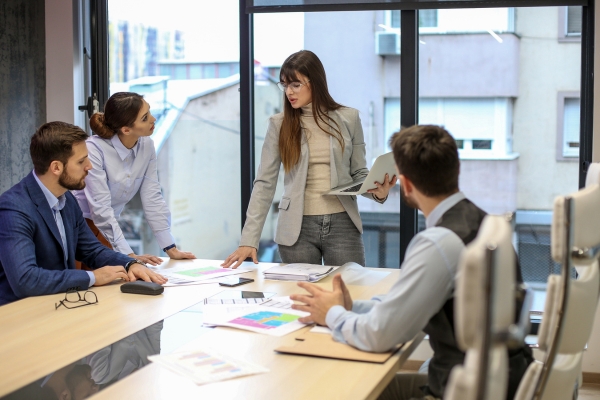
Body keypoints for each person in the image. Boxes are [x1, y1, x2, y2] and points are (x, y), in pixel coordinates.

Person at [290, 125, 532, 400]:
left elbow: (380, 335)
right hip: (498, 380)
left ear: (404, 184)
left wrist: (332, 315)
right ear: (456, 169)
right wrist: (350, 307)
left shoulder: (439, 243)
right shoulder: (485, 222)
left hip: (461, 388)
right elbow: (405, 306)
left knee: (343, 390)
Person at [222, 50, 396, 269]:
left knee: (349, 292)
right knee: (303, 298)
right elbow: (264, 184)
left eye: (295, 84)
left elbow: (359, 173)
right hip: (296, 228)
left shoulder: (349, 118)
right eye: (284, 85)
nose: (289, 92)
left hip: (343, 222)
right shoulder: (279, 124)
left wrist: (378, 192)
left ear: (315, 82)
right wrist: (249, 239)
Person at [0, 122, 166, 306]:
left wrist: (130, 264)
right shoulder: (14, 209)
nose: (89, 166)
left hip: (57, 305)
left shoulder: (66, 198)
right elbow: (25, 280)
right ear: (56, 167)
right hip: (18, 316)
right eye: (81, 161)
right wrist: (92, 277)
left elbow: (91, 249)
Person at [73, 92, 195, 266]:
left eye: (149, 112)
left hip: (108, 227)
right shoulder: (94, 149)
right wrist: (129, 255)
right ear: (126, 129)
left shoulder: (147, 145)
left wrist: (170, 247)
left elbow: (152, 196)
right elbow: (100, 210)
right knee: (87, 287)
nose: (153, 119)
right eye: (145, 118)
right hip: (80, 227)